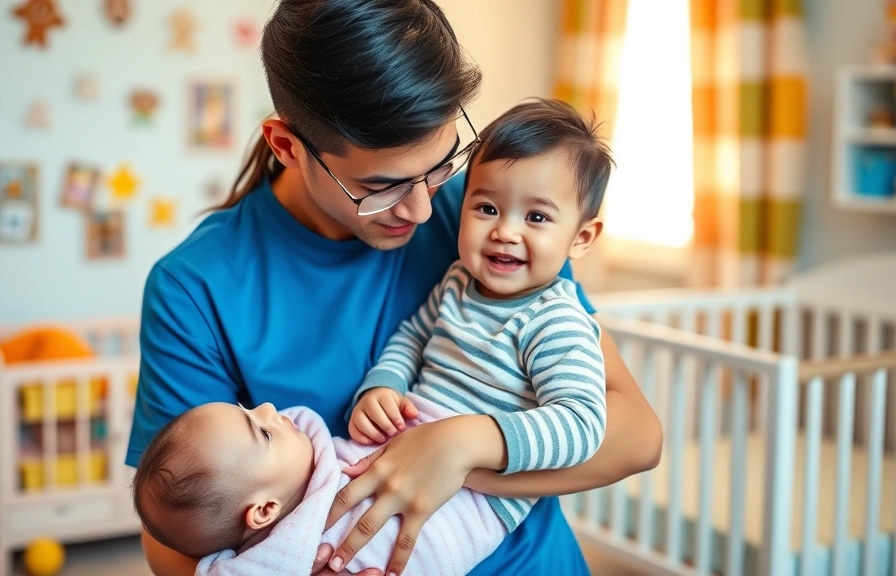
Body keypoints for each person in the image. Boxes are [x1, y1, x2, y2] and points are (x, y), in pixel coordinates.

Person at [126, 1, 663, 575]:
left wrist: (457, 451)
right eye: (379, 186)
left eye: (441, 164)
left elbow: (634, 436)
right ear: (287, 146)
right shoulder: (196, 287)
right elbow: (174, 539)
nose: (424, 207)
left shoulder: (492, 222)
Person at [348, 98, 611, 535]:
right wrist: (383, 385)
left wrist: (475, 441)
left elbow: (583, 423)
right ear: (462, 203)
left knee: (365, 547)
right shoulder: (457, 281)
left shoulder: (556, 320)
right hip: (405, 448)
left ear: (581, 237)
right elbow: (413, 337)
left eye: (537, 216)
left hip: (478, 498)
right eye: (487, 208)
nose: (505, 232)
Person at [132, 396, 512, 576]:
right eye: (262, 432)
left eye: (245, 407)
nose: (267, 407)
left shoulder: (331, 460)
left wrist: (462, 446)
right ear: (265, 510)